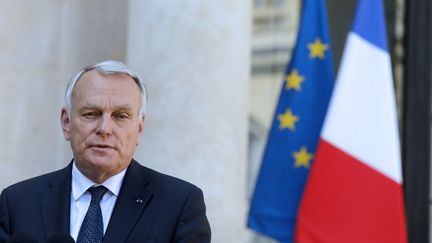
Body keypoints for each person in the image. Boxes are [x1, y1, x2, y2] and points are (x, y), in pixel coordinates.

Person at [0, 60, 211, 243]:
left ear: (139, 128)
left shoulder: (179, 204)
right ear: (66, 122)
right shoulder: (17, 202)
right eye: (91, 114)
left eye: (120, 116)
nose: (104, 129)